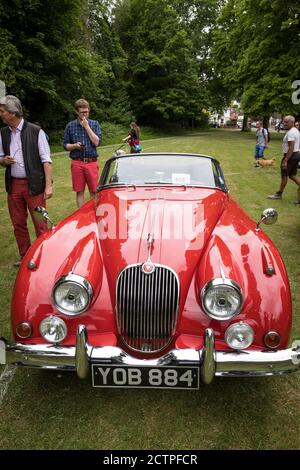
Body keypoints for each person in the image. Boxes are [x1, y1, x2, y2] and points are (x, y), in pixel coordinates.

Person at [0, 95, 53, 266]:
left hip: (35, 186)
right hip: (14, 185)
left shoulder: (36, 131)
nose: (0, 114)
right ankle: (25, 256)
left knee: (40, 222)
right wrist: (3, 161)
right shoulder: (3, 133)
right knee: (18, 222)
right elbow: (0, 157)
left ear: (12, 113)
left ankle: (44, 256)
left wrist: (48, 187)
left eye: (2, 111)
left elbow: (46, 160)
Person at [63, 98, 101, 208]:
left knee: (94, 191)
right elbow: (65, 145)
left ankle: (95, 214)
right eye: (82, 112)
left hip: (91, 162)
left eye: (87, 112)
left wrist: (87, 127)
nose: (85, 114)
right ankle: (81, 215)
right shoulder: (70, 126)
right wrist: (74, 146)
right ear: (76, 112)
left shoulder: (94, 124)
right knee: (79, 191)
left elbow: (97, 142)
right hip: (77, 162)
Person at [267, 115, 300, 204]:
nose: (284, 124)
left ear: (292, 122)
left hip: (290, 156)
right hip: (296, 155)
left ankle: (279, 194)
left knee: (284, 175)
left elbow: (291, 147)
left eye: (286, 122)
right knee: (292, 175)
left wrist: (285, 160)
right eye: (284, 122)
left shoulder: (291, 133)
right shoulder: (295, 130)